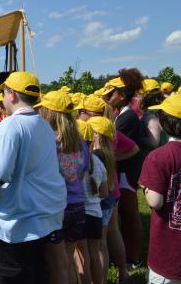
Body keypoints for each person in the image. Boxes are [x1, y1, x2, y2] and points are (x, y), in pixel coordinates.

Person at [0, 72, 66, 284]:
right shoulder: (43, 124)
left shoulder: (10, 125)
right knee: (36, 273)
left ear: (12, 94)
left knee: (12, 275)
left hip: (18, 222)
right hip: (43, 217)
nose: (2, 98)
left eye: (4, 92)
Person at [36, 90, 90, 284]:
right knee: (67, 259)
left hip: (56, 208)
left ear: (49, 113)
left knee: (56, 264)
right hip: (78, 206)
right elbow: (83, 171)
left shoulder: (48, 142)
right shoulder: (80, 141)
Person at [102, 69, 146, 267]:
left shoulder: (126, 118)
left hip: (126, 172)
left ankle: (135, 257)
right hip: (123, 171)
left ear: (121, 95)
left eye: (111, 93)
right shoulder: (123, 115)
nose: (108, 97)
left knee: (130, 213)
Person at [138, 94, 181, 284]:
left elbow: (156, 201)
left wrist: (147, 189)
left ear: (163, 124)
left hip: (169, 250)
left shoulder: (158, 157)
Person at [86, 117, 119, 284]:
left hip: (100, 202)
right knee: (102, 245)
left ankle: (99, 279)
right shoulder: (108, 151)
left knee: (98, 246)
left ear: (97, 134)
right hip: (109, 200)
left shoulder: (96, 155)